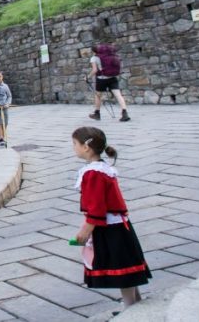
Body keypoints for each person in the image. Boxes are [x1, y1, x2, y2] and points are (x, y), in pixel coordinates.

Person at [72, 126, 150, 310]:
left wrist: (86, 230)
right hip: (118, 225)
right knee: (127, 265)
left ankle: (131, 308)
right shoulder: (102, 168)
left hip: (110, 228)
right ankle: (135, 302)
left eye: (75, 144)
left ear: (86, 147)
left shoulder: (93, 173)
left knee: (122, 268)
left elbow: (97, 206)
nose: (73, 147)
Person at [88, 45, 130, 122]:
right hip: (113, 77)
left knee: (98, 96)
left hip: (101, 79)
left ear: (94, 51)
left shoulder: (94, 58)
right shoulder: (111, 55)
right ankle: (125, 113)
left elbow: (94, 70)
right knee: (118, 95)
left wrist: (87, 77)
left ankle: (97, 113)